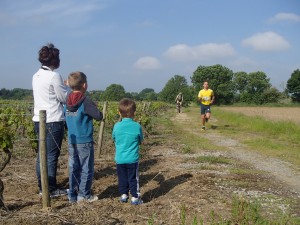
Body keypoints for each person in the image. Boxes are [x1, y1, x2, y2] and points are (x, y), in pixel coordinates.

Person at [32, 43, 69, 197]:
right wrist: (67, 87)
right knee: (51, 156)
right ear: (55, 60)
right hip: (53, 119)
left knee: (42, 155)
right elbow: (63, 98)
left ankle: (43, 187)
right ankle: (51, 189)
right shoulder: (54, 76)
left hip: (38, 119)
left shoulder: (36, 75)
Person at [64, 71, 103, 203]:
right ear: (85, 85)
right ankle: (84, 195)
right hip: (84, 140)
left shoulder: (67, 100)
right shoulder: (85, 101)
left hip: (72, 139)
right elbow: (98, 116)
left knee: (73, 167)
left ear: (69, 84)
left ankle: (73, 195)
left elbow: (64, 118)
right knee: (86, 168)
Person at [112, 98, 144, 205]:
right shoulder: (137, 126)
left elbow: (114, 138)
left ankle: (124, 195)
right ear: (134, 113)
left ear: (119, 113)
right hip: (132, 159)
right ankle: (135, 197)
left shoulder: (116, 126)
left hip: (120, 158)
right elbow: (140, 141)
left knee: (122, 178)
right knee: (133, 179)